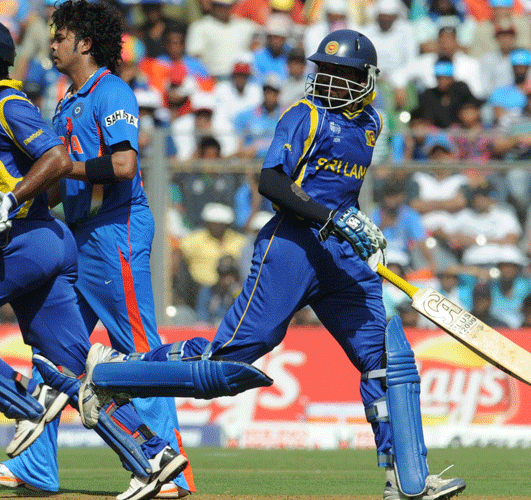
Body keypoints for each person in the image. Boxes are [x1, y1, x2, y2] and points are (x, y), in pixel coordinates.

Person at [76, 29, 467, 500]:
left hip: (341, 256)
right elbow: (272, 182)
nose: (331, 83)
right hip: (292, 246)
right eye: (327, 73)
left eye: (344, 75)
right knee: (227, 364)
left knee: (385, 362)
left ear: (367, 79)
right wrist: (331, 219)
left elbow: (343, 191)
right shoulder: (303, 115)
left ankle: (407, 479)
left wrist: (358, 225)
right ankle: (114, 375)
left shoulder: (371, 125)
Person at [0, 14, 186, 500]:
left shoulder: (15, 101)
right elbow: (32, 181)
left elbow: (66, 162)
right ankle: (150, 458)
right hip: (65, 233)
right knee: (65, 364)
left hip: (97, 232)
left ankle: (26, 402)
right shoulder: (57, 100)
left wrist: (8, 203)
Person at [0, 3, 194, 498]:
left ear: (85, 44)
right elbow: (59, 186)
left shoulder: (112, 91)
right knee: (54, 348)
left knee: (139, 350)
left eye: (61, 37)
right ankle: (35, 467)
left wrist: (59, 167)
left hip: (114, 232)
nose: (51, 44)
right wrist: (10, 210)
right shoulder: (66, 99)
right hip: (78, 236)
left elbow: (121, 167)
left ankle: (173, 474)